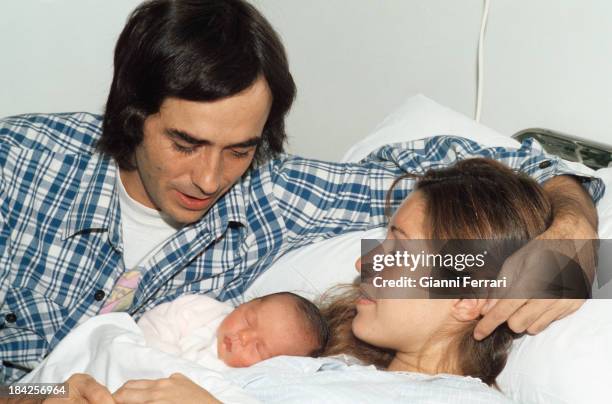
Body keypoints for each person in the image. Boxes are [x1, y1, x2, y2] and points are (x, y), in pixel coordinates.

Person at [0, 0, 603, 398]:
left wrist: (574, 226)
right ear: (132, 117)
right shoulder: (20, 164)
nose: (210, 179)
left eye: (239, 148)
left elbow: (494, 180)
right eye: (186, 143)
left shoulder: (276, 192)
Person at [109, 158, 563, 403]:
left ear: (466, 298)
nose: (366, 265)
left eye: (398, 248)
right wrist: (40, 394)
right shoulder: (311, 364)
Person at [137, 292, 329, 370]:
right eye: (248, 319)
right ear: (245, 304)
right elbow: (155, 324)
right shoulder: (204, 311)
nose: (243, 336)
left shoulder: (237, 378)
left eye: (258, 348)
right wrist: (164, 361)